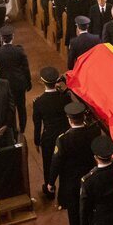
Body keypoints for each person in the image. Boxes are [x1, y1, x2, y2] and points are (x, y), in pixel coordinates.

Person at [50, 102, 100, 225]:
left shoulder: (63, 139)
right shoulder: (93, 133)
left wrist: (51, 182)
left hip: (71, 182)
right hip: (90, 177)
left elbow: (56, 163)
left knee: (73, 210)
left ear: (69, 119)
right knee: (91, 207)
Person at [33, 67, 70, 199]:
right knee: (65, 164)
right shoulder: (65, 98)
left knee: (48, 163)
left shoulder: (38, 102)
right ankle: (64, 193)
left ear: (42, 82)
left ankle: (50, 190)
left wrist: (37, 141)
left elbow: (37, 124)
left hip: (48, 138)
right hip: (65, 135)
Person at [0, 25, 31, 133]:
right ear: (12, 37)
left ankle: (14, 129)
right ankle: (22, 128)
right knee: (21, 107)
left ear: (1, 38)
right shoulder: (19, 50)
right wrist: (29, 82)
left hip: (6, 86)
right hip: (19, 84)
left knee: (10, 109)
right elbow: (26, 69)